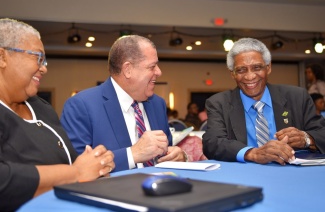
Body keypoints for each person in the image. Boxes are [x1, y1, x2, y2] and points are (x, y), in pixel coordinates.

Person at [0, 18, 115, 211]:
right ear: (2, 57)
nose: (44, 68)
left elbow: (71, 161)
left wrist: (97, 164)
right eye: (37, 57)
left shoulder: (41, 108)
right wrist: (76, 173)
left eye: (44, 60)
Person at [60, 35, 186, 172]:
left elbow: (166, 153)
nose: (159, 72)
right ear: (128, 70)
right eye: (152, 66)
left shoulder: (158, 104)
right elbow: (75, 168)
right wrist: (132, 154)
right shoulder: (81, 106)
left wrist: (178, 156)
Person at [202, 37, 325, 166]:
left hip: (291, 174)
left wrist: (306, 139)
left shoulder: (297, 97)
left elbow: (322, 132)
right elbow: (212, 143)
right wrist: (252, 153)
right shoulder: (218, 103)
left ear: (268, 68)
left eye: (257, 68)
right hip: (244, 176)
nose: (250, 77)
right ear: (232, 74)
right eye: (241, 70)